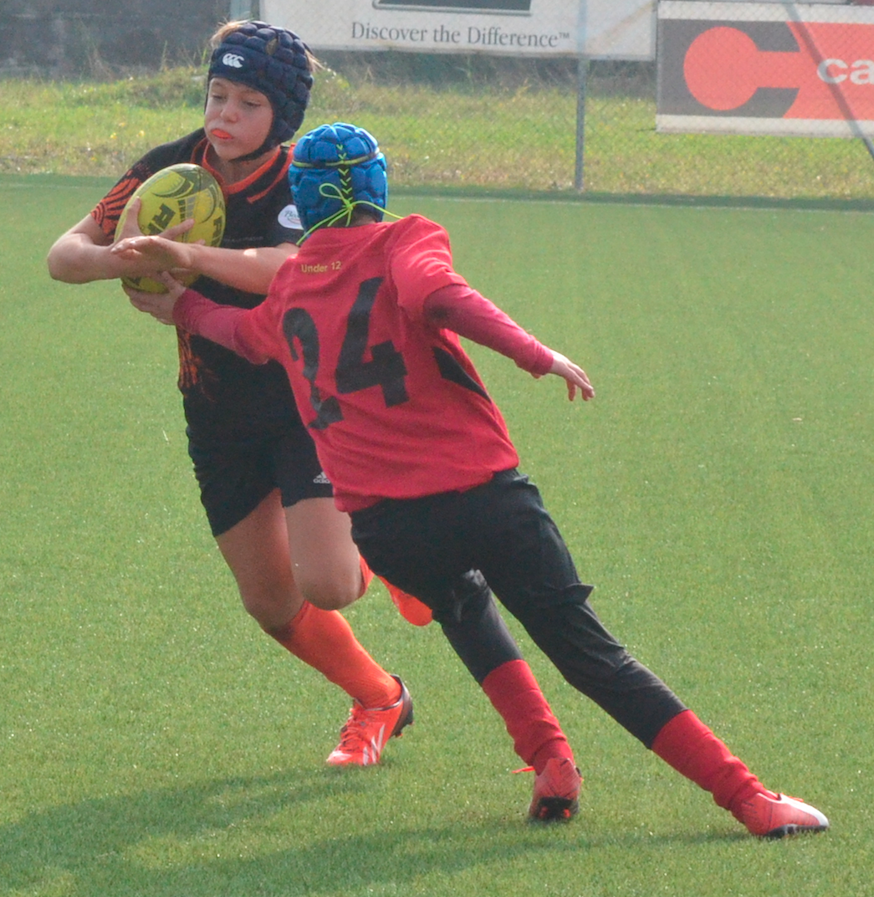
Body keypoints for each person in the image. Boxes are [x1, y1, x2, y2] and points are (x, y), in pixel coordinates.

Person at [120, 121, 830, 836]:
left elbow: (243, 335)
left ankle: (551, 761)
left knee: (463, 608)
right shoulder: (405, 238)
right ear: (377, 185)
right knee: (588, 654)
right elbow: (438, 294)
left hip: (388, 529)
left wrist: (179, 305)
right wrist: (535, 353)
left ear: (302, 203)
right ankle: (749, 799)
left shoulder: (288, 289)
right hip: (482, 498)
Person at [46, 22, 424, 767]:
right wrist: (120, 258)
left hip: (306, 404)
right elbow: (64, 255)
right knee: (270, 601)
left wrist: (186, 254)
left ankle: (388, 545)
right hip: (216, 410)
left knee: (330, 583)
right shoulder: (173, 167)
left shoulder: (305, 177)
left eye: (248, 103)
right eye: (218, 94)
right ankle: (381, 698)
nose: (224, 114)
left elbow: (291, 265)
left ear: (281, 118)